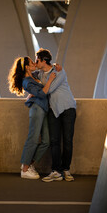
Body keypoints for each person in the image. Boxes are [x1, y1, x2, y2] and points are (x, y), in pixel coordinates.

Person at [8, 56, 56, 179]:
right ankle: (24, 169)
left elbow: (45, 69)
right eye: (31, 62)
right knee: (33, 139)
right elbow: (41, 93)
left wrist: (56, 67)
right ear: (27, 67)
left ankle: (29, 164)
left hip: (43, 109)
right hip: (37, 110)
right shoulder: (27, 81)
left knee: (46, 141)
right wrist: (50, 80)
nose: (35, 63)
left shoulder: (33, 76)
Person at [35, 48, 76, 182]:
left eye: (37, 60)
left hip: (68, 108)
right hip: (53, 110)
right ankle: (56, 171)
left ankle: (66, 169)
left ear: (43, 61)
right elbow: (28, 73)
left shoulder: (59, 71)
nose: (36, 62)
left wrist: (50, 76)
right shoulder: (40, 73)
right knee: (54, 141)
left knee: (68, 141)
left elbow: (49, 89)